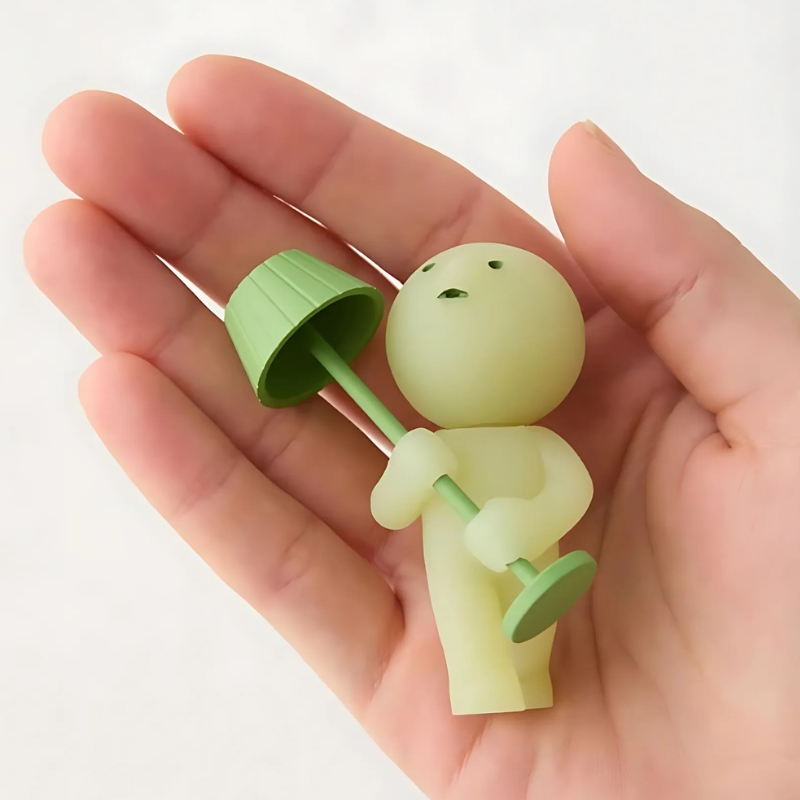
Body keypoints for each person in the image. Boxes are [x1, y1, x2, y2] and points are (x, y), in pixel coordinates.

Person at [24, 55, 800, 799]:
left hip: (531, 563)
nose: (460, 291)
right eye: (436, 288)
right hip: (457, 570)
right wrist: (414, 470)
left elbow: (568, 491)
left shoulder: (540, 444)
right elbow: (392, 510)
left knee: (529, 637)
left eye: (489, 278)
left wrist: (527, 521)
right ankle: (484, 679)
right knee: (468, 623)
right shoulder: (434, 446)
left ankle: (524, 673)